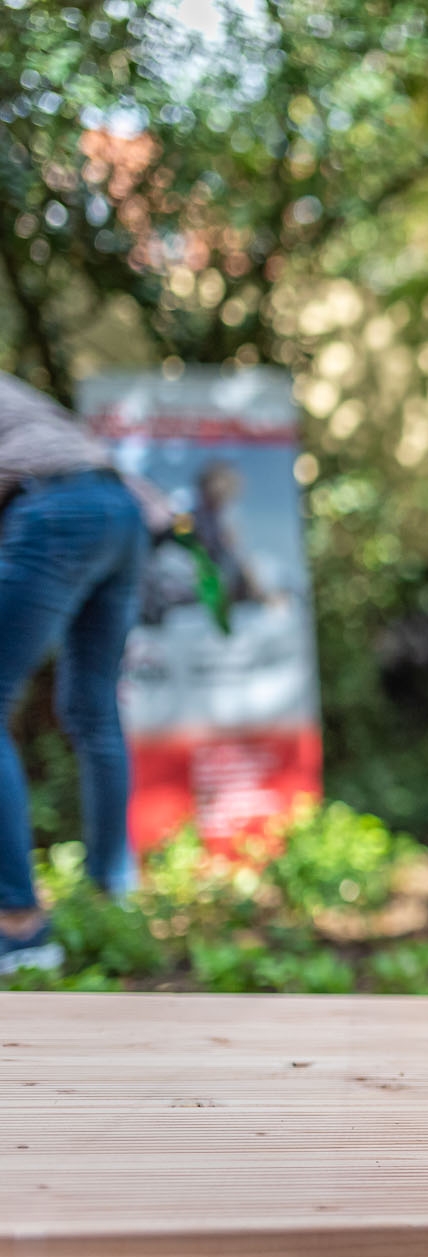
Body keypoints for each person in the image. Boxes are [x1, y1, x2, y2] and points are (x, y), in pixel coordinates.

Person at [0, 371, 170, 974]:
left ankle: (19, 929)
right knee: (92, 707)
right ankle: (111, 894)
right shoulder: (16, 393)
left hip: (54, 507)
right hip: (119, 509)